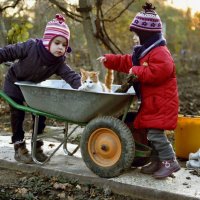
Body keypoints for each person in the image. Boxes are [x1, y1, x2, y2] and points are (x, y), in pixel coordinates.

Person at [97, 2, 180, 179]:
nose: (134, 38)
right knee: (152, 133)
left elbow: (160, 71)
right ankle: (157, 161)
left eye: (136, 34)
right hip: (153, 102)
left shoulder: (160, 52)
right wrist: (109, 60)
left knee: (156, 134)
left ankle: (169, 161)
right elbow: (127, 62)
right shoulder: (143, 53)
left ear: (147, 35)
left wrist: (137, 71)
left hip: (162, 102)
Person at [0, 14, 81, 164]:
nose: (60, 47)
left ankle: (36, 144)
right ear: (47, 41)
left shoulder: (58, 62)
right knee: (17, 113)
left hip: (32, 87)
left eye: (64, 45)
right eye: (57, 42)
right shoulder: (31, 47)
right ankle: (19, 146)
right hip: (15, 82)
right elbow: (9, 52)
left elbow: (71, 76)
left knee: (40, 112)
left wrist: (84, 87)